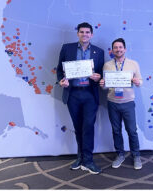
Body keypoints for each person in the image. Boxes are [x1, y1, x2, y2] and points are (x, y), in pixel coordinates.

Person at [57, 22, 104, 174]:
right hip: (73, 94)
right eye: (82, 32)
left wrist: (98, 77)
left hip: (90, 94)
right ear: (78, 33)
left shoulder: (99, 51)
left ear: (92, 34)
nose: (85, 34)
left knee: (88, 127)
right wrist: (61, 81)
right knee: (78, 127)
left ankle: (88, 161)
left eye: (87, 32)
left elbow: (101, 74)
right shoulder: (67, 48)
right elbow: (59, 70)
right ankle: (80, 158)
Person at [100, 38, 143, 170]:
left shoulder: (133, 63)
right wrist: (102, 84)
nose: (118, 50)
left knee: (132, 131)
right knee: (116, 131)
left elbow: (140, 81)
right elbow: (105, 86)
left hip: (128, 103)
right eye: (115, 48)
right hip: (113, 103)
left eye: (120, 47)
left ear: (125, 49)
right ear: (112, 50)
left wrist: (137, 82)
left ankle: (136, 155)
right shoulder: (107, 65)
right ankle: (120, 154)